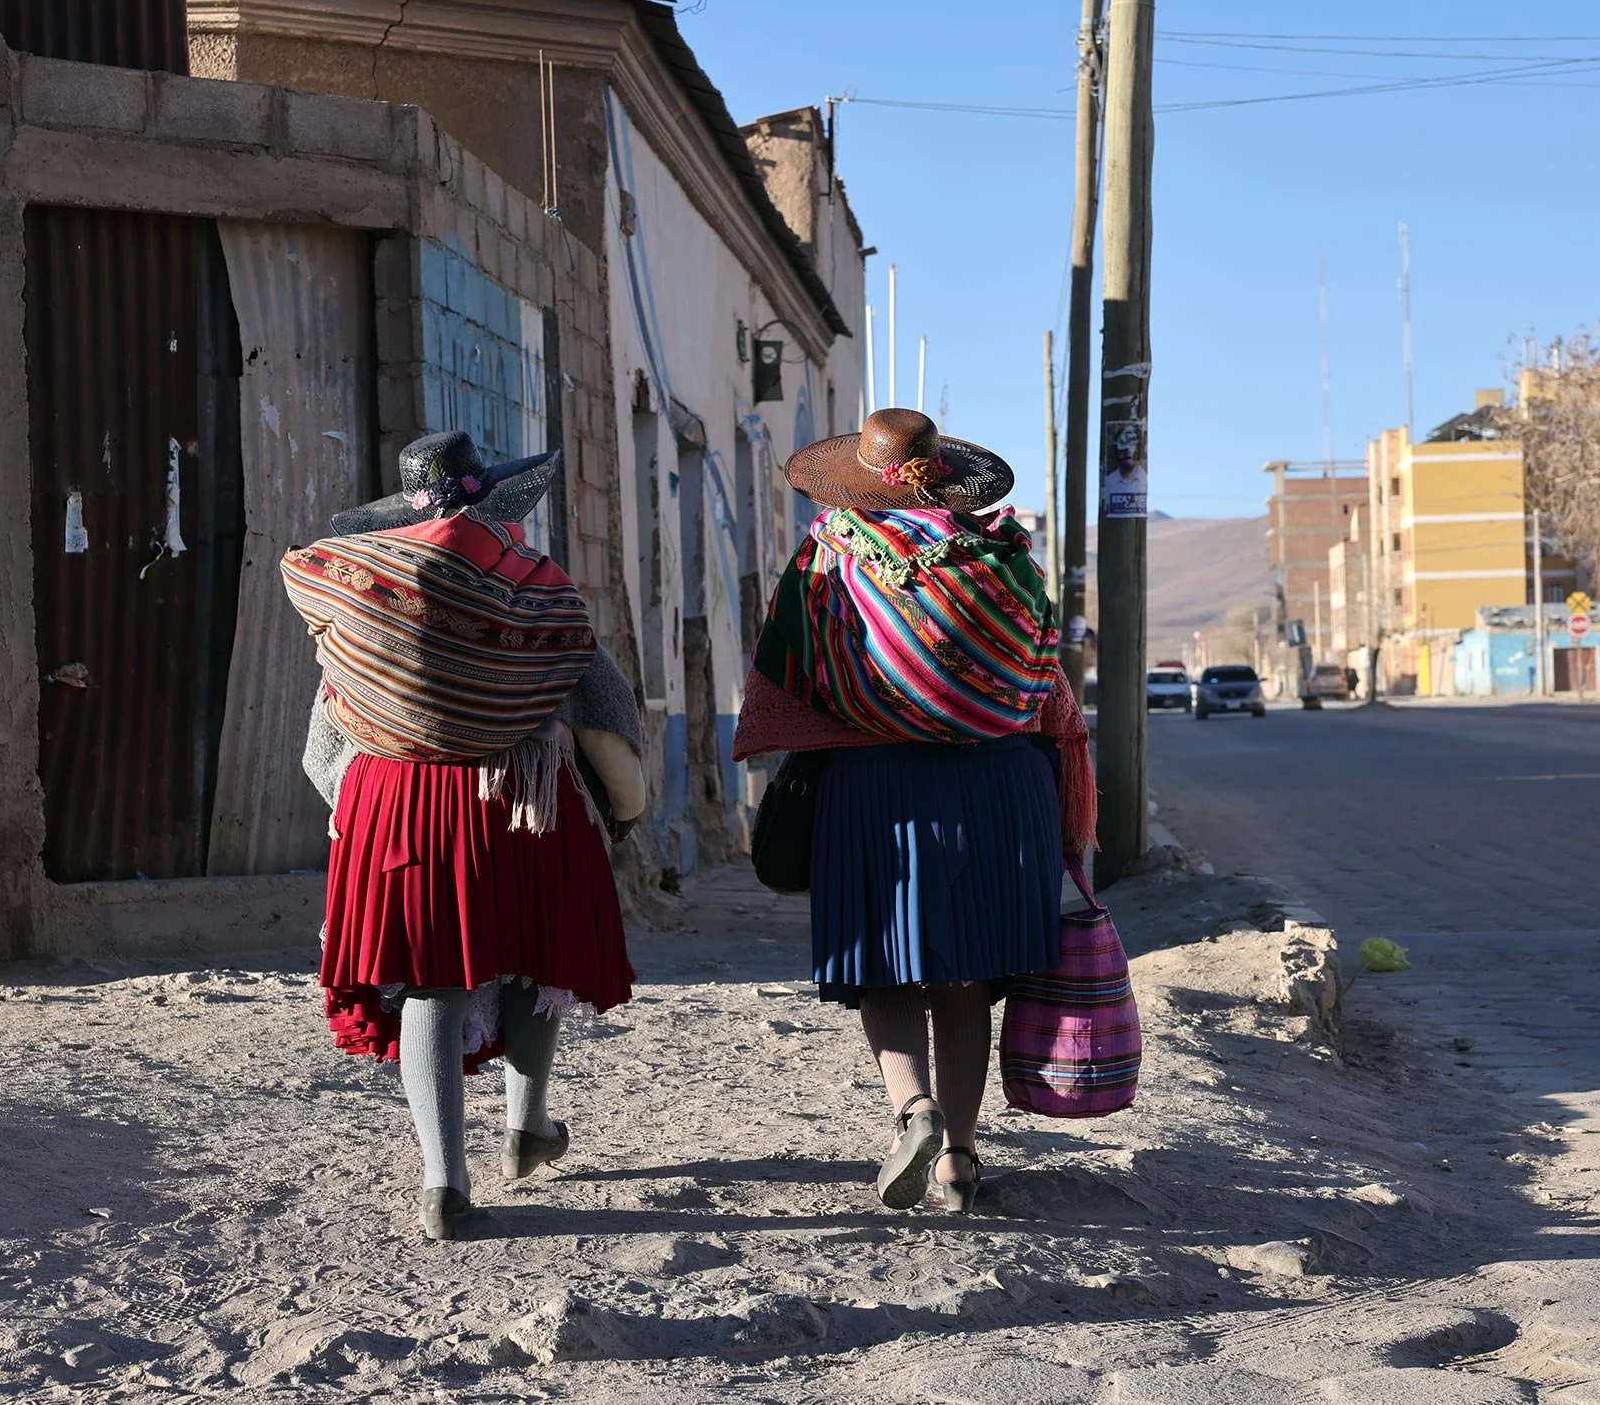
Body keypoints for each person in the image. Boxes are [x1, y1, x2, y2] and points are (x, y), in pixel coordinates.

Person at [282, 432, 647, 1240]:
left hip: (397, 800)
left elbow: (326, 740)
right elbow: (605, 710)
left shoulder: (367, 587)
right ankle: (526, 1128)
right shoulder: (531, 579)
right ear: (492, 502)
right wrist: (624, 804)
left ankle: (444, 1181)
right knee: (531, 955)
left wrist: (364, 804)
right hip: (525, 795)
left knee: (428, 979)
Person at [734, 409, 1095, 1215]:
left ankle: (915, 1109)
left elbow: (784, 674)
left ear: (861, 479)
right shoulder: (1003, 555)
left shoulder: (830, 553)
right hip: (1000, 785)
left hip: (875, 786)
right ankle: (960, 1162)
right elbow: (1049, 688)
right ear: (946, 476)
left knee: (883, 964)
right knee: (963, 976)